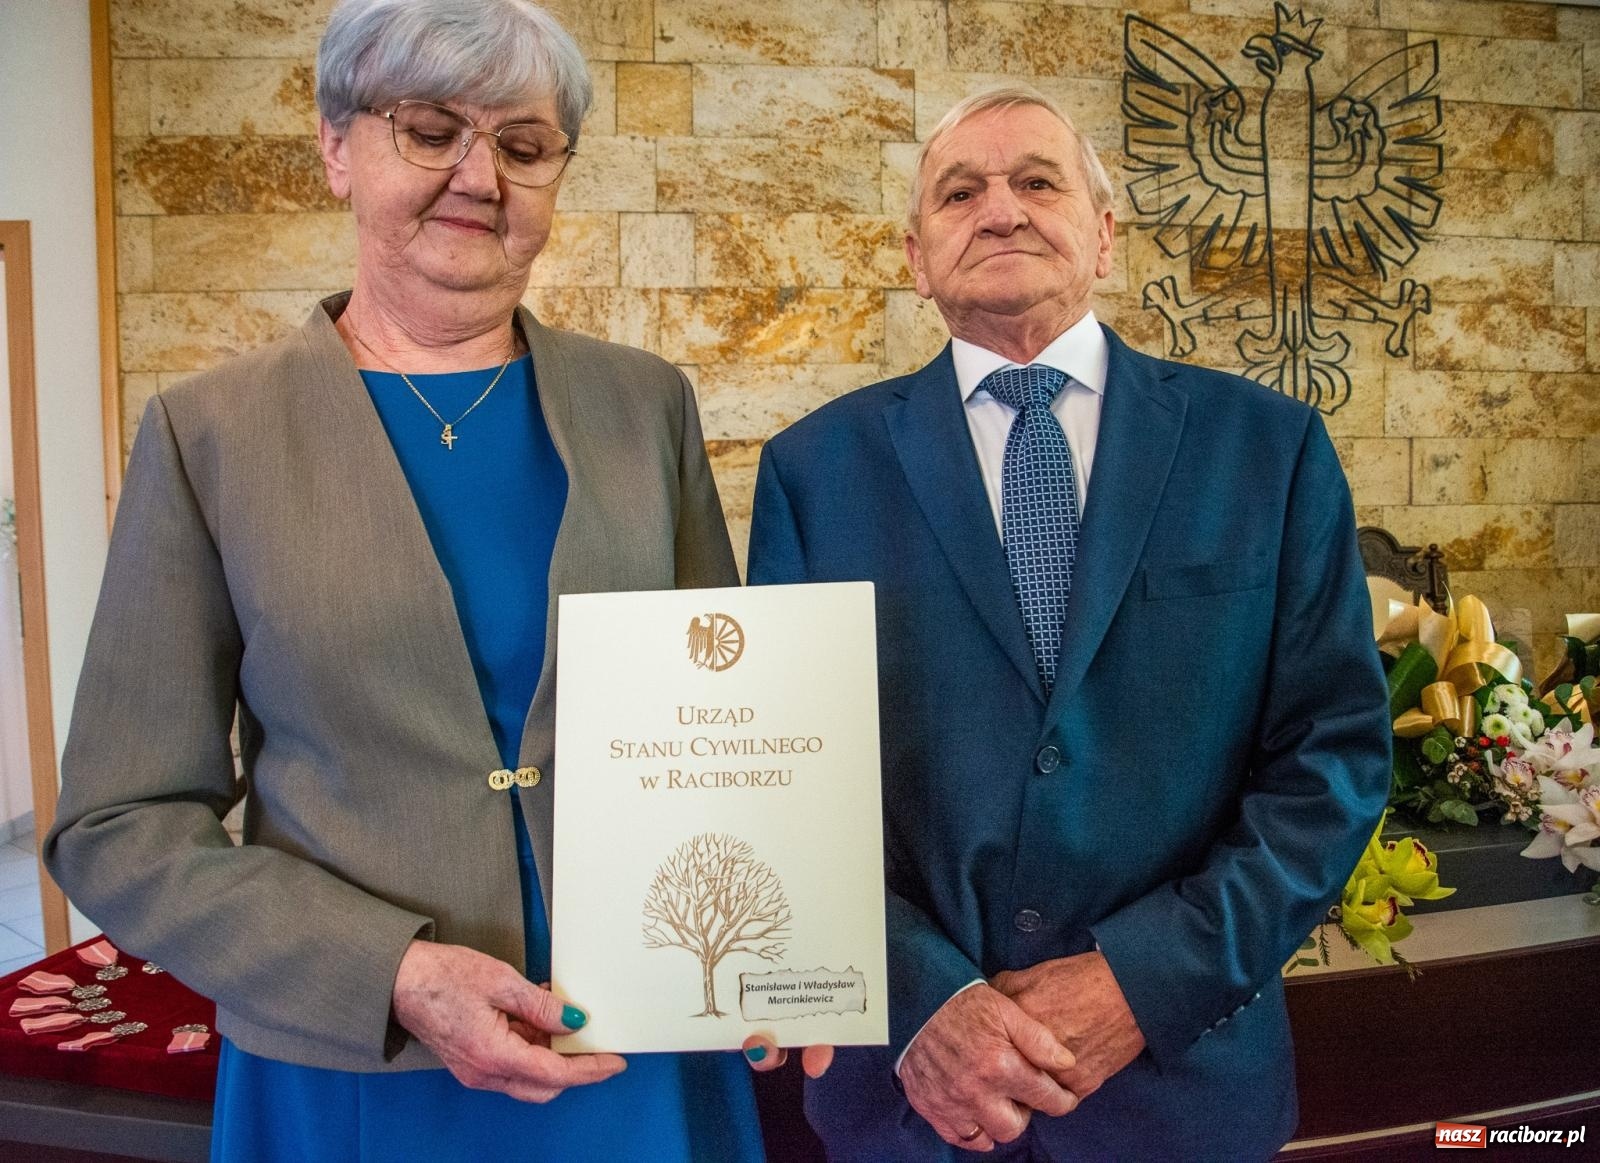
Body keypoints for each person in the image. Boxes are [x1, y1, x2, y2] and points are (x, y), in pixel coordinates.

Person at [44, 2, 769, 1158]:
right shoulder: (209, 432)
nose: (479, 176)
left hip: (634, 1048)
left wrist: (786, 950)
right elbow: (118, 823)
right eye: (430, 131)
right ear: (337, 147)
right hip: (355, 1060)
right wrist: (391, 972)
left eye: (524, 147)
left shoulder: (646, 406)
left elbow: (725, 730)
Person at [747, 86, 1391, 1161]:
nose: (999, 210)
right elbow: (776, 779)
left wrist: (1145, 979)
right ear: (915, 256)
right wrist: (923, 999)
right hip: (914, 1104)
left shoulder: (1266, 452)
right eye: (960, 192)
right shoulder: (814, 472)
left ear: (1104, 235)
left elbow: (1330, 764)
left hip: (1180, 1092)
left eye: (1036, 181)